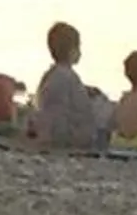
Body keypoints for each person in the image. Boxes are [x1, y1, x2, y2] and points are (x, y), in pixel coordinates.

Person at [26, 22, 110, 151]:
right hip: (67, 136)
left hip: (49, 130)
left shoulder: (51, 74)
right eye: (78, 47)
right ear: (71, 51)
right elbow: (78, 111)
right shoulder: (70, 77)